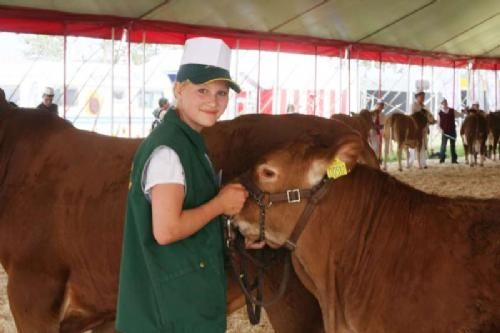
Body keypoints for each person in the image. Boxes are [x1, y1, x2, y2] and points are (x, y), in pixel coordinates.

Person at [116, 37, 264, 333]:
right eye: (202, 90)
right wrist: (220, 204)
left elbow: (192, 213)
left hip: (179, 301)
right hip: (169, 313)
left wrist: (235, 232)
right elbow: (167, 230)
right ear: (178, 90)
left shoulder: (188, 142)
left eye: (222, 92)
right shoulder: (169, 152)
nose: (213, 101)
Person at [438, 98, 462, 164]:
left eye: (445, 103)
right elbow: (438, 123)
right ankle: (442, 159)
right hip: (445, 132)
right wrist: (441, 130)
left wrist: (464, 113)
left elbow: (459, 115)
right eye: (443, 103)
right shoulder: (440, 113)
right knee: (443, 146)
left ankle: (454, 159)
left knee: (453, 146)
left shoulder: (452, 111)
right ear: (442, 104)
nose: (445, 104)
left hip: (452, 131)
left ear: (447, 103)